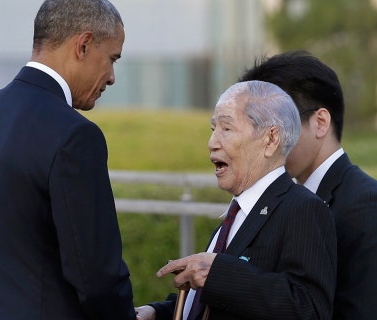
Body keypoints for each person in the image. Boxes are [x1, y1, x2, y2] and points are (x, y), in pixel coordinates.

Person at [0, 0, 135, 319]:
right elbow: (96, 276)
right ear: (84, 45)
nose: (112, 77)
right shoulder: (75, 134)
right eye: (111, 59)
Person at [136, 80, 337, 320]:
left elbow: (310, 308)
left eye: (226, 129)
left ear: (271, 139)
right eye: (213, 129)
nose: (212, 143)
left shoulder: (302, 208)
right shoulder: (237, 212)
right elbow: (214, 305)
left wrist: (219, 273)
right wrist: (156, 313)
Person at [239, 50, 377, 319]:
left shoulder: (366, 204)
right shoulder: (279, 199)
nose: (267, 141)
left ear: (320, 122)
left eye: (278, 125)